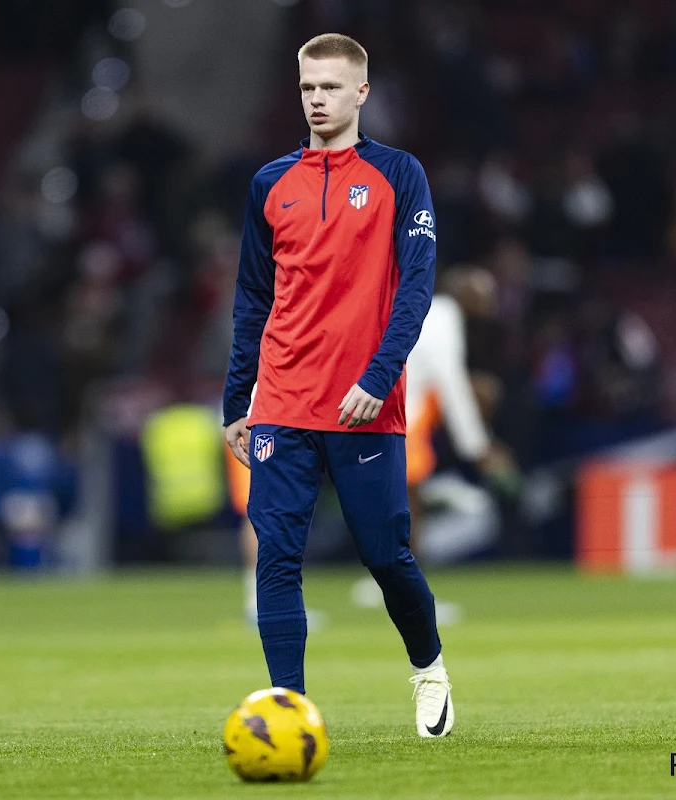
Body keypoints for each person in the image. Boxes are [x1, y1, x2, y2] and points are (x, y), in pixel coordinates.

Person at [222, 33, 453, 738]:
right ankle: (287, 712)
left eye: (330, 87)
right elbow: (252, 300)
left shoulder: (399, 174)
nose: (317, 100)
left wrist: (378, 377)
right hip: (284, 399)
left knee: (386, 554)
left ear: (361, 93)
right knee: (276, 556)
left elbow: (416, 288)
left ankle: (429, 669)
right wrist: (239, 401)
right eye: (306, 88)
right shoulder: (270, 183)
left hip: (364, 403)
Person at [352, 266, 518, 609]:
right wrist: (479, 447)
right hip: (401, 418)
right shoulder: (442, 319)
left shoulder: (431, 312)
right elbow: (451, 385)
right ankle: (405, 590)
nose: (489, 301)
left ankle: (390, 584)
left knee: (404, 504)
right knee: (410, 506)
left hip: (395, 415)